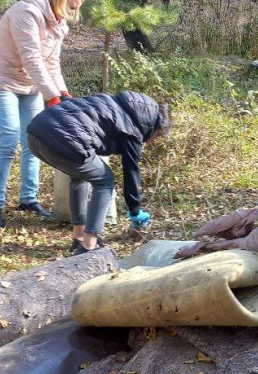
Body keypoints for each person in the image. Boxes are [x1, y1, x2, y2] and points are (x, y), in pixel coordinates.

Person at [0, 0, 86, 229]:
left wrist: (62, 92)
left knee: (33, 142)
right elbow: (32, 59)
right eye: (71, 5)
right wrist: (51, 96)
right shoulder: (25, 13)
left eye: (76, 7)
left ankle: (28, 200)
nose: (73, 12)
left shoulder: (58, 24)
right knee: (8, 140)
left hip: (30, 86)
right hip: (0, 82)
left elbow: (51, 63)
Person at [26, 91, 172, 255]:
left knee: (80, 175)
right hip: (62, 139)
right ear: (156, 127)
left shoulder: (111, 103)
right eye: (158, 136)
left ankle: (79, 236)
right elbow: (131, 170)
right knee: (105, 181)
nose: (153, 141)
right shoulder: (135, 127)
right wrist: (135, 210)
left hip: (35, 134)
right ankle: (89, 246)